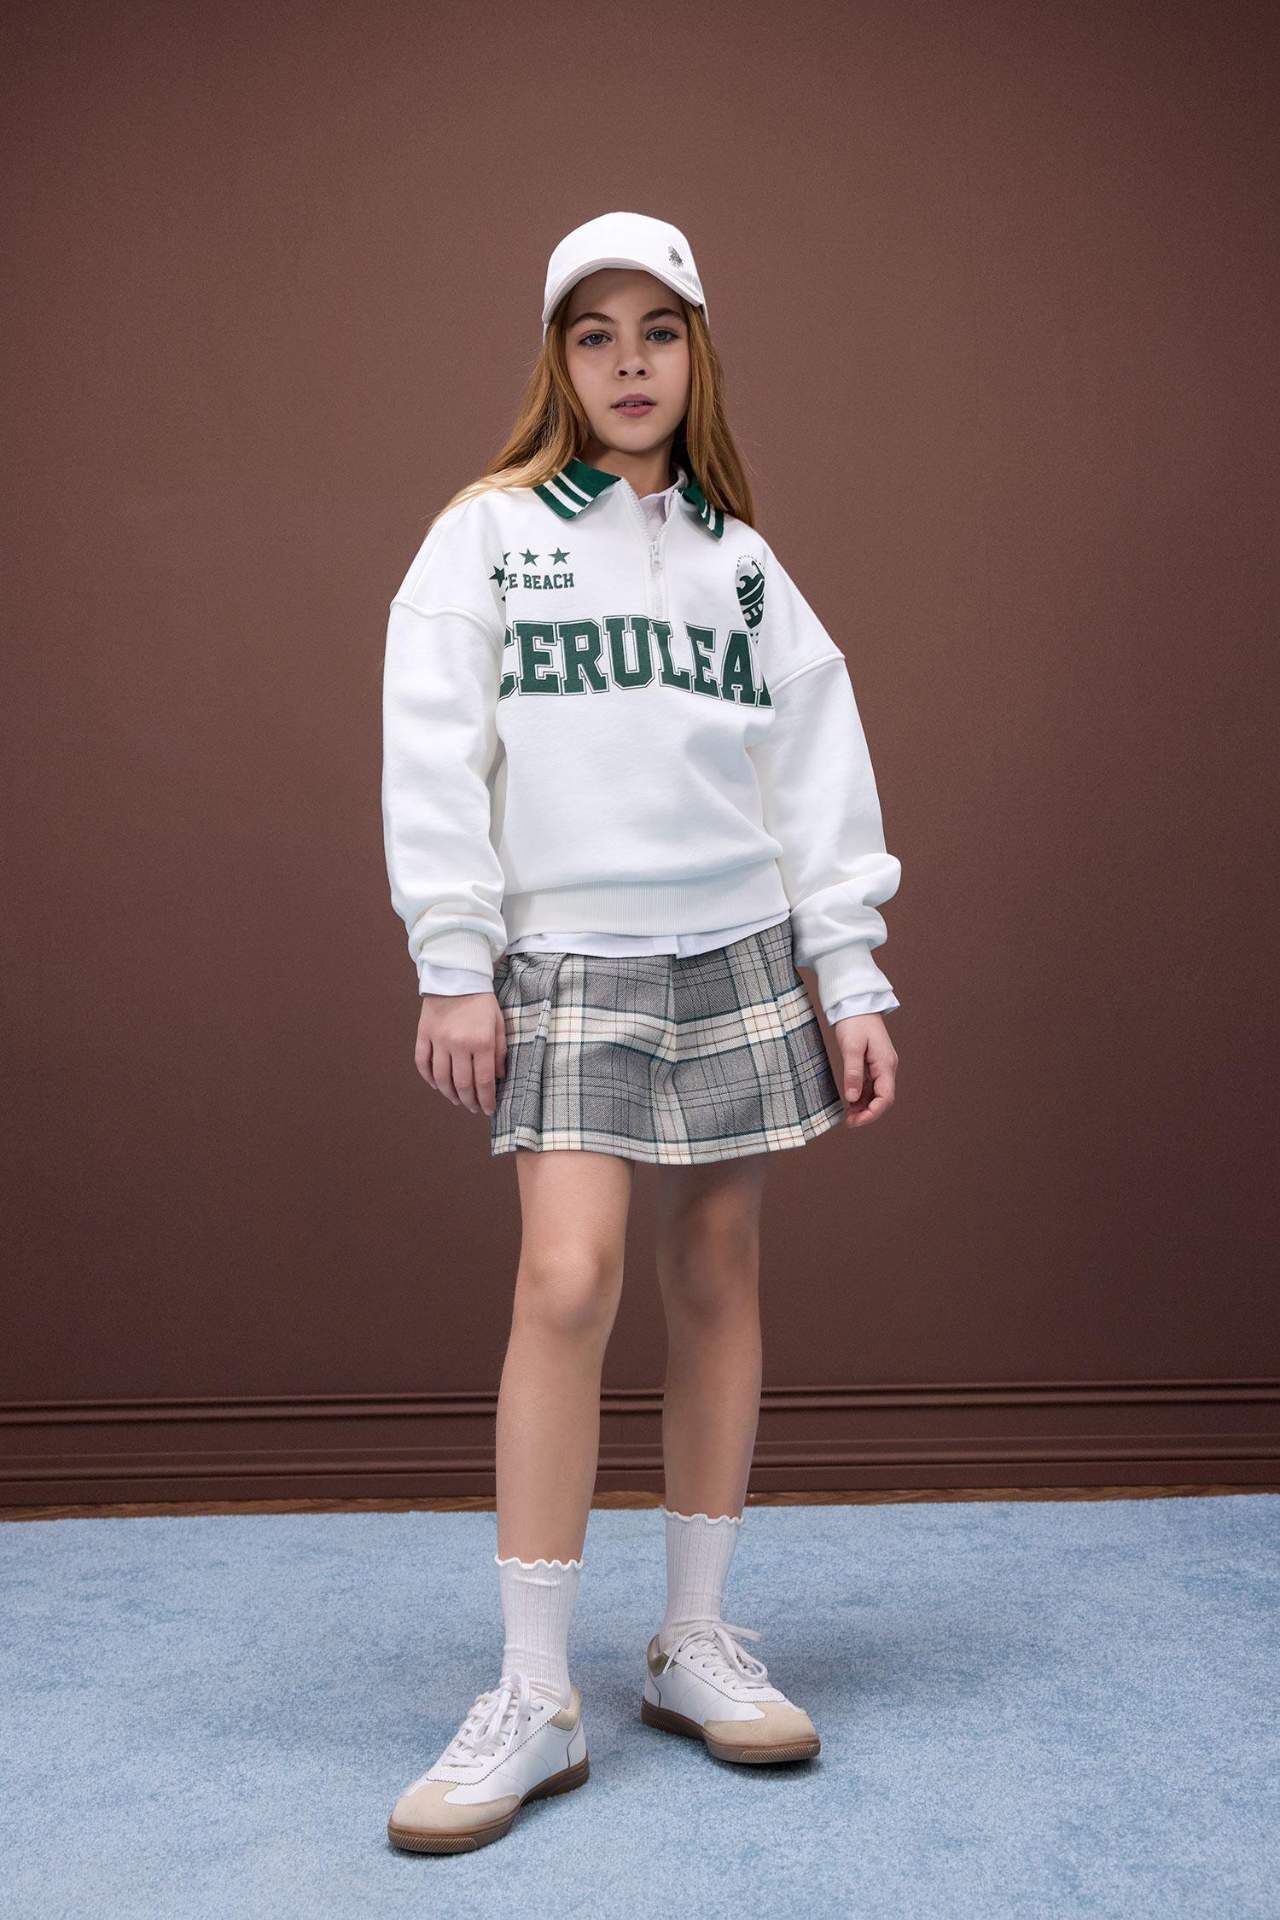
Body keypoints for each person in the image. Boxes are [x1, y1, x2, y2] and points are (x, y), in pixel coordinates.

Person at [380, 211, 902, 1853]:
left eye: (658, 333)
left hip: (735, 946)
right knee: (566, 1277)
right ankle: (537, 1692)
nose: (629, 364)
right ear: (558, 358)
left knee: (719, 1270)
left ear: (696, 355)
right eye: (595, 335)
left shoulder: (743, 562)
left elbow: (815, 771)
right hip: (570, 956)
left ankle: (691, 1640)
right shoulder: (485, 538)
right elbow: (434, 752)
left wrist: (850, 974)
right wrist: (455, 958)